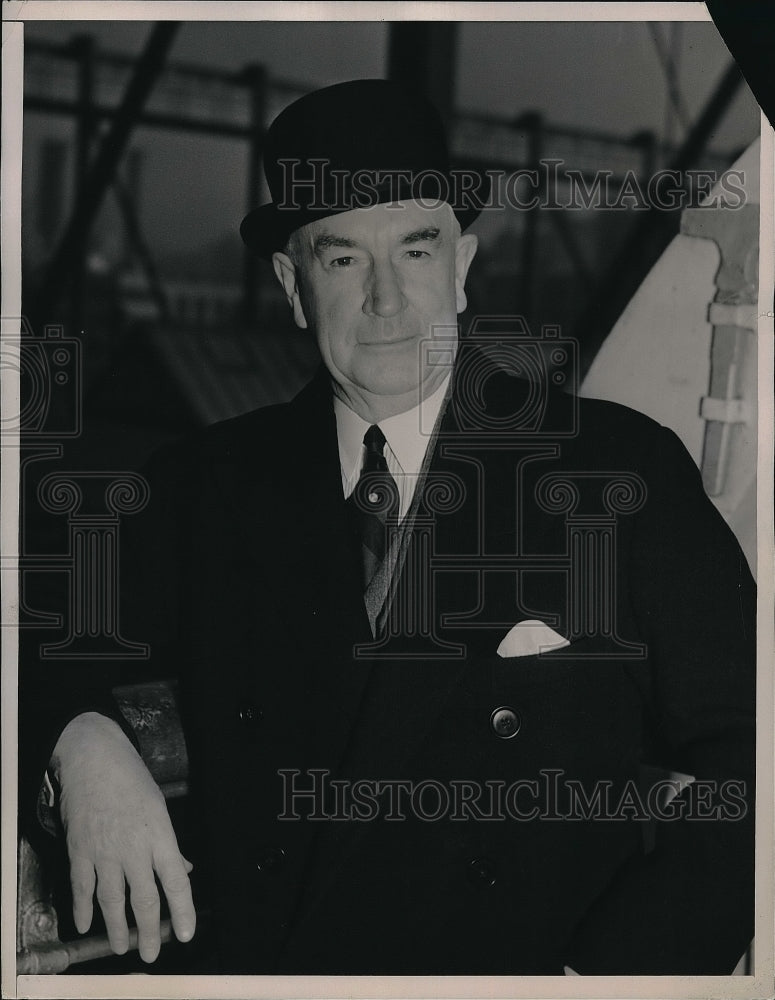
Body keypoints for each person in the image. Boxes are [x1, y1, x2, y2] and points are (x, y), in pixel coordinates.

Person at [22, 79, 755, 975]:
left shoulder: (616, 470)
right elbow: (35, 634)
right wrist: (80, 744)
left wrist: (608, 979)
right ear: (293, 286)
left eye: (415, 249)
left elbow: (754, 751)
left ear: (462, 266)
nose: (386, 301)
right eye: (342, 260)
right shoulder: (203, 484)